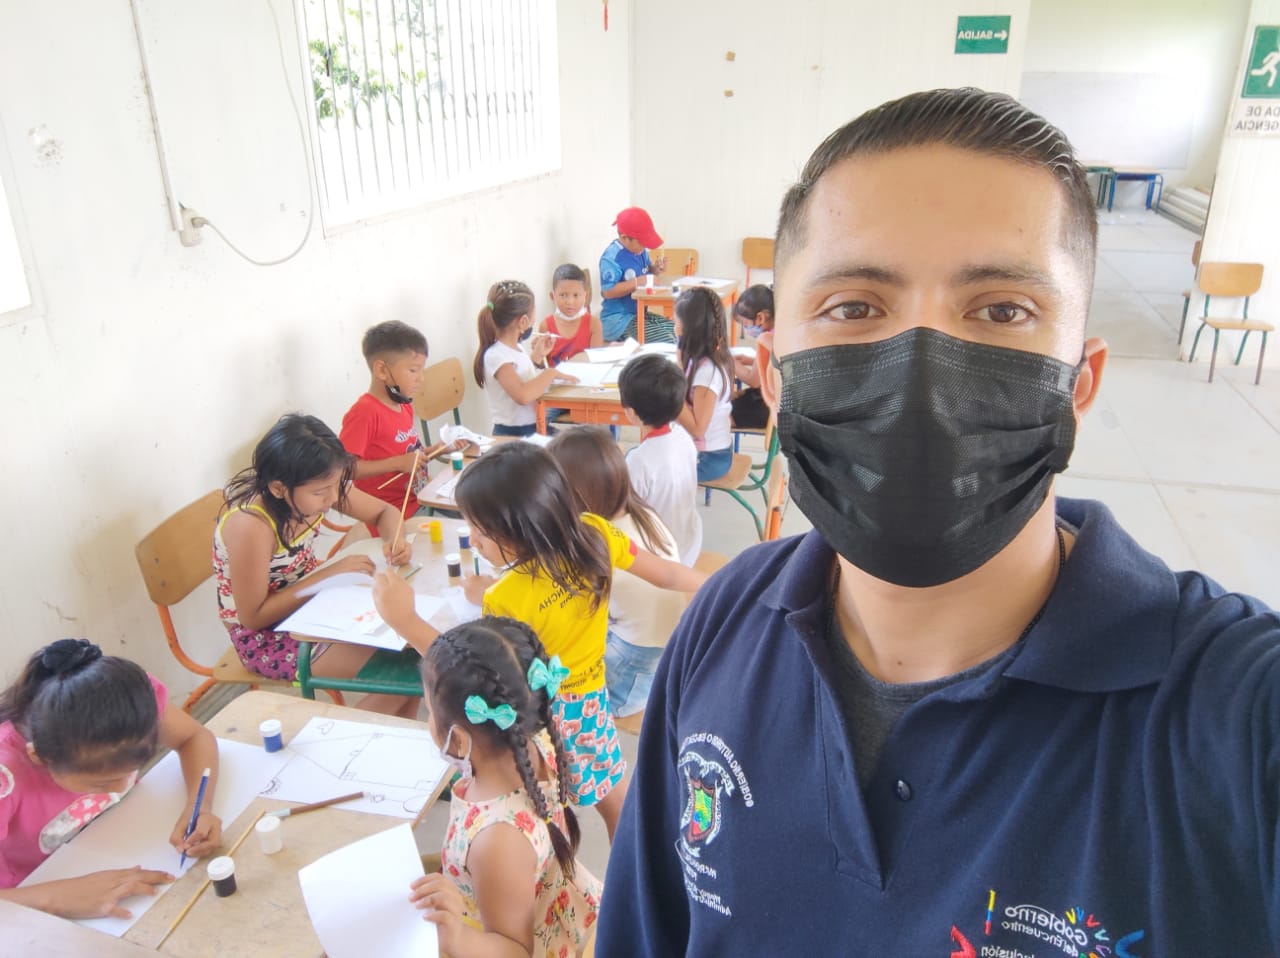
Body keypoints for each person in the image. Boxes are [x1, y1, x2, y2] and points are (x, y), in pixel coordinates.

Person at [598, 87, 1280, 956]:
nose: (919, 373)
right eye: (853, 307)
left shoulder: (1233, 720)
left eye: (1002, 310)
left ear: (1080, 384)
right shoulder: (721, 626)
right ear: (771, 378)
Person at [373, 442, 707, 839]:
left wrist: (405, 620)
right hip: (591, 698)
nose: (474, 540)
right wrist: (721, 583)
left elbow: (470, 668)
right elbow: (667, 574)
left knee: (544, 803)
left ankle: (553, 865)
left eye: (481, 530)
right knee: (611, 794)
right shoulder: (596, 533)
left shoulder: (506, 596)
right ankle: (630, 867)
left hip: (539, 715)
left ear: (519, 527)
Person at [407, 618, 601, 958]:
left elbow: (515, 950)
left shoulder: (497, 841)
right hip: (547, 910)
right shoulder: (535, 741)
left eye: (430, 711)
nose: (429, 720)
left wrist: (454, 937)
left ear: (459, 740)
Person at [213, 413, 423, 716]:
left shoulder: (317, 486)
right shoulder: (252, 526)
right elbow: (253, 617)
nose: (333, 497)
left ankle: (393, 737)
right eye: (321, 492)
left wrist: (395, 540)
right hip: (267, 638)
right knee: (404, 672)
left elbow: (384, 513)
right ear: (278, 488)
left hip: (316, 604)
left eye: (336, 485)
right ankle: (353, 738)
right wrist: (328, 576)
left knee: (412, 649)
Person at [0, 640, 221, 918]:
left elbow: (193, 737)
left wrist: (199, 805)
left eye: (132, 770)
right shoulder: (5, 777)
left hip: (109, 839)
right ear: (40, 758)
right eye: (101, 784)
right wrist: (55, 898)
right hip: (25, 893)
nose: (121, 786)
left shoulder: (129, 706)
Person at [546, 427, 685, 719]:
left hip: (634, 665)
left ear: (574, 495)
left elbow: (559, 608)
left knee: (547, 679)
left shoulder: (600, 542)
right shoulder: (641, 513)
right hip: (658, 648)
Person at [340, 320, 459, 522]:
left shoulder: (403, 405)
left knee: (480, 511)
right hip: (394, 514)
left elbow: (409, 457)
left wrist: (437, 450)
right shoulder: (364, 413)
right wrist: (396, 463)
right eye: (413, 370)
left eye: (422, 370)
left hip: (421, 498)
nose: (421, 378)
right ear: (382, 371)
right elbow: (343, 470)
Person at [617, 354, 702, 566]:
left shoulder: (639, 461)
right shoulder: (683, 437)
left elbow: (621, 513)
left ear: (631, 413)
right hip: (689, 542)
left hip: (662, 558)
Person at [473, 280, 577, 438]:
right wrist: (550, 374)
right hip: (513, 434)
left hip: (532, 427)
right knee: (573, 445)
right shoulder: (496, 356)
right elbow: (522, 395)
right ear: (523, 322)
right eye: (533, 315)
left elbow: (520, 376)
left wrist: (537, 356)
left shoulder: (515, 347)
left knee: (577, 441)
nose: (534, 321)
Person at [674, 287, 734, 482]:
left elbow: (698, 429)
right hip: (701, 451)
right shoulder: (702, 358)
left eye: (676, 321)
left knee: (645, 467)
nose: (674, 327)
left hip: (709, 458)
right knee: (642, 459)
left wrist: (671, 391)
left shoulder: (707, 373)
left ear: (688, 329)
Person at [598, 207, 669, 343]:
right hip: (618, 322)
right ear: (625, 238)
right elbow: (608, 292)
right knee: (669, 339)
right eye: (642, 242)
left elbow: (647, 270)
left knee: (677, 330)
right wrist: (638, 282)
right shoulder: (612, 258)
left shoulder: (640, 252)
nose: (644, 247)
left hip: (639, 314)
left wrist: (656, 269)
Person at [536, 264, 602, 365]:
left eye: (576, 295)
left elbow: (596, 361)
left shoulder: (594, 324)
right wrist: (537, 354)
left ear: (586, 296)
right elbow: (543, 365)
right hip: (555, 375)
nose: (570, 302)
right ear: (552, 296)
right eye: (563, 295)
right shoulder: (545, 326)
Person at [728, 284, 774, 429]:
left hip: (769, 407)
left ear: (760, 318)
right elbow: (773, 364)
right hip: (781, 400)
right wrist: (751, 361)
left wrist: (730, 362)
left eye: (745, 324)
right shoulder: (778, 332)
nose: (745, 329)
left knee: (723, 411)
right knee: (736, 396)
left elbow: (754, 381)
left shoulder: (766, 339)